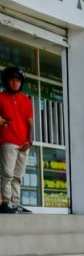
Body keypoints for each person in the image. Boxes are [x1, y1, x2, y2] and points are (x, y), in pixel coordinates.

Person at [0, 67, 34, 214]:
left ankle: (15, 204)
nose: (15, 83)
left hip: (23, 143)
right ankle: (5, 203)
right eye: (12, 79)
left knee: (18, 176)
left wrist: (30, 140)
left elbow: (30, 122)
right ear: (6, 81)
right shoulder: (1, 97)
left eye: (18, 80)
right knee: (7, 174)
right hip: (8, 140)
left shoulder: (26, 100)